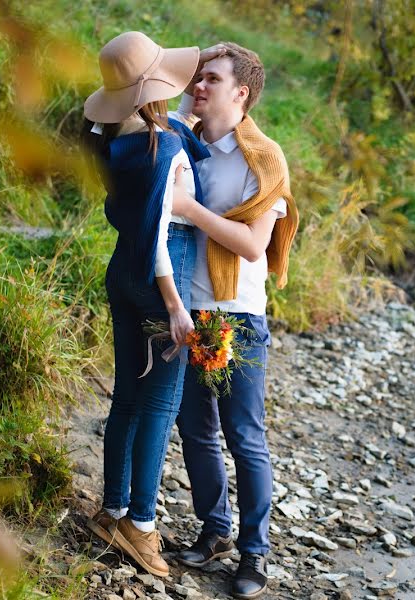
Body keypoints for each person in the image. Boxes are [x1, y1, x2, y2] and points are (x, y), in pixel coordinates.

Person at [80, 31, 223, 577]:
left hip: (123, 272)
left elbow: (170, 119)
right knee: (160, 406)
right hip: (162, 276)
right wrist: (175, 307)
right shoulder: (165, 152)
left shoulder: (121, 135)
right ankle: (141, 528)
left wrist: (197, 68)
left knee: (127, 397)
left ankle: (111, 510)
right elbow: (162, 235)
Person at [167, 42, 298, 599]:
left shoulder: (262, 159)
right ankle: (215, 529)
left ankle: (254, 554)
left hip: (238, 315)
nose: (198, 86)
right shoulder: (184, 141)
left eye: (211, 79)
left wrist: (190, 210)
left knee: (244, 437)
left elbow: (250, 245)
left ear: (241, 93)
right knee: (194, 429)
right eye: (197, 77)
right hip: (186, 309)